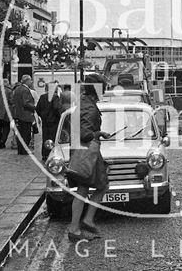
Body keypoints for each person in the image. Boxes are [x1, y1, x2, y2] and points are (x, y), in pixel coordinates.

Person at [68, 73, 111, 242]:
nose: (105, 92)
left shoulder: (84, 102)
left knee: (86, 188)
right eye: (103, 88)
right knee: (98, 186)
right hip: (88, 152)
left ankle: (80, 224)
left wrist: (97, 133)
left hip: (86, 150)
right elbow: (85, 133)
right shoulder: (89, 107)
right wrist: (98, 133)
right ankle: (79, 224)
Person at [36, 83, 62, 161]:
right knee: (53, 138)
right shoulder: (55, 97)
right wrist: (58, 116)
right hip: (54, 121)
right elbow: (56, 108)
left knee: (45, 137)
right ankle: (52, 153)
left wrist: (42, 116)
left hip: (45, 121)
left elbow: (37, 109)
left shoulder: (42, 97)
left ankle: (45, 154)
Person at [12, 75, 36, 155]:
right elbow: (26, 103)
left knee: (20, 134)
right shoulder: (25, 90)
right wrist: (35, 107)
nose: (32, 82)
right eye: (31, 80)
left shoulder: (18, 89)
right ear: (27, 81)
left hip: (18, 114)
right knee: (26, 134)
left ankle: (20, 150)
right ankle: (24, 150)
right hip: (26, 115)